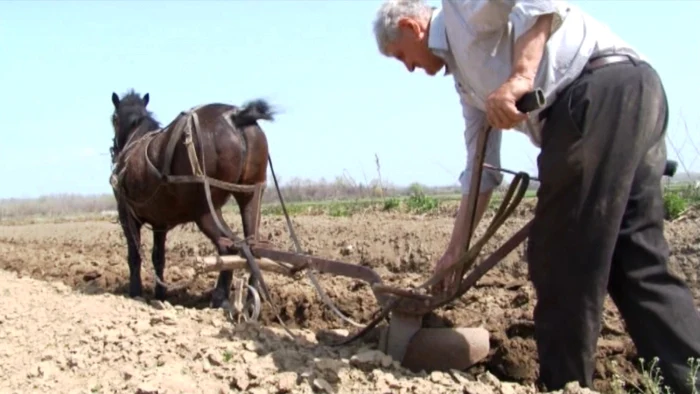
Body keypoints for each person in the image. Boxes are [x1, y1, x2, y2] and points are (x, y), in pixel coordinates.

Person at [371, 0, 700, 392]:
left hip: (594, 92)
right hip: (635, 90)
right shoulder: (467, 83)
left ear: (412, 27)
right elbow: (481, 171)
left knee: (559, 258)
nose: (409, 68)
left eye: (401, 57)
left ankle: (565, 385)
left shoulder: (459, 10)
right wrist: (455, 250)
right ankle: (689, 379)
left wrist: (521, 76)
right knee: (635, 261)